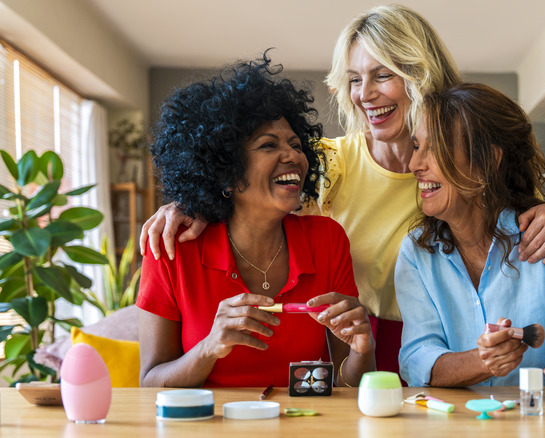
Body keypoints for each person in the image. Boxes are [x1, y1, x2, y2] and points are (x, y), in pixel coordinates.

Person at [139, 5, 545, 374]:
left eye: (382, 75)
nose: (364, 94)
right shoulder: (324, 164)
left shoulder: (457, 168)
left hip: (455, 352)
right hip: (359, 352)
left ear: (421, 74)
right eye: (354, 79)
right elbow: (247, 179)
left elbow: (520, 220)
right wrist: (188, 203)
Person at [137, 56, 375, 388]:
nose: (293, 155)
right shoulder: (172, 248)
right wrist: (209, 347)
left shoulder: (327, 239)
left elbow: (348, 382)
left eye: (295, 144)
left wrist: (362, 351)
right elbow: (149, 383)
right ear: (227, 170)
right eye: (268, 145)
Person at [396, 83, 545, 391]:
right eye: (417, 147)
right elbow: (417, 359)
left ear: (487, 162)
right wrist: (484, 361)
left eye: (436, 150)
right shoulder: (417, 253)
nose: (414, 164)